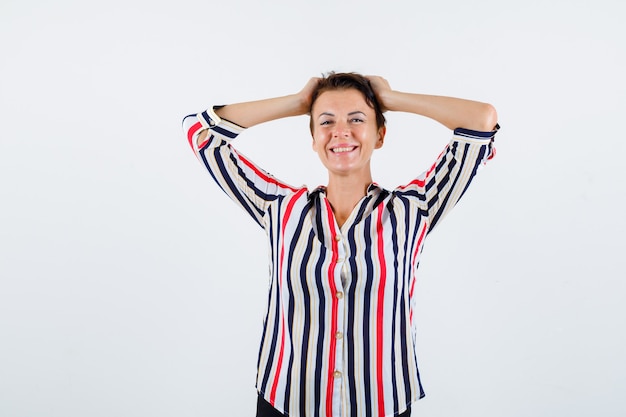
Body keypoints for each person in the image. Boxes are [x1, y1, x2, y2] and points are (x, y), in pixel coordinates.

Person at [182, 72, 499, 417]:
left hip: (380, 405)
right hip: (287, 403)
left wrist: (390, 99)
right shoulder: (281, 208)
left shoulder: (413, 211)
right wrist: (299, 103)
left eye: (357, 119)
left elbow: (481, 121)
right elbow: (201, 135)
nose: (341, 131)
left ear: (380, 135)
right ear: (314, 138)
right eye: (326, 122)